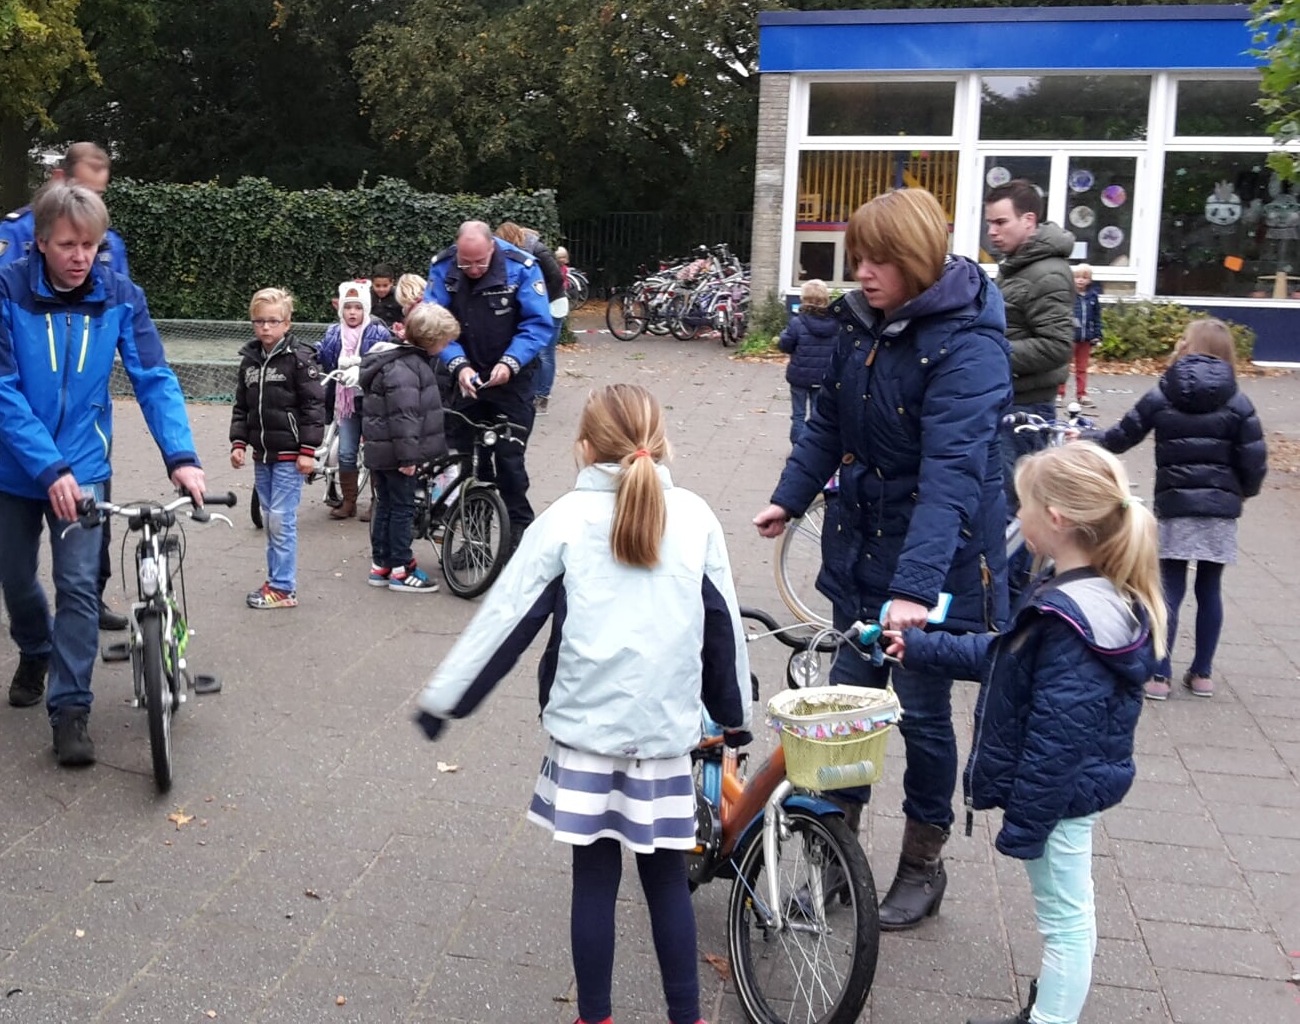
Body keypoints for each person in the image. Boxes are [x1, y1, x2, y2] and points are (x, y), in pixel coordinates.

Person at [416, 384, 747, 1024]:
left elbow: (505, 623)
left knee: (593, 881)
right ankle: (688, 1016)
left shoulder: (563, 521)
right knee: (665, 884)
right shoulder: (697, 517)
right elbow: (722, 628)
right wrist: (734, 719)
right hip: (663, 738)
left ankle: (594, 1015)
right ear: (661, 442)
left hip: (585, 736)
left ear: (585, 447)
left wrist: (446, 700)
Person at [753, 187, 1012, 931]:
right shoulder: (855, 324)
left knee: (924, 716)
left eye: (877, 261)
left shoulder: (968, 343)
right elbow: (827, 424)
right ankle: (838, 859)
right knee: (845, 712)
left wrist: (914, 590)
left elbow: (953, 476)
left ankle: (921, 866)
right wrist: (789, 497)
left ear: (916, 261)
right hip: (863, 550)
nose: (860, 272)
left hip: (941, 568)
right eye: (855, 258)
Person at [887, 442, 1161, 1024]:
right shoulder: (1079, 592)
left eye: (1023, 507)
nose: (1017, 518)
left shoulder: (1069, 616)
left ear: (1056, 520)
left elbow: (1058, 738)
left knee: (1064, 922)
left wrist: (1026, 823)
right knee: (1071, 910)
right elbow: (1005, 655)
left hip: (1059, 798)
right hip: (1071, 792)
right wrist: (920, 647)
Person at [0, 181, 206, 767]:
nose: (81, 257)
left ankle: (71, 710)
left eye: (91, 246)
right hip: (15, 469)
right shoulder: (2, 292)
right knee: (20, 579)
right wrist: (46, 467)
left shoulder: (120, 295)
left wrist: (181, 457)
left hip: (86, 467)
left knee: (78, 586)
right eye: (68, 244)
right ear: (41, 243)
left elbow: (154, 378)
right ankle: (34, 648)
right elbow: (0, 390)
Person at [0, 142, 129, 637]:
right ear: (61, 179)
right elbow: (2, 314)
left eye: (98, 195)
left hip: (82, 432)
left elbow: (116, 306)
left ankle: (87, 597)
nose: (83, 252)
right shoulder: (19, 229)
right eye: (82, 189)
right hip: (22, 421)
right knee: (17, 544)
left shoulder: (108, 242)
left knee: (85, 545)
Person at [1089, 319, 1264, 701]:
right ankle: (1202, 674)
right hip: (1220, 509)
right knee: (1210, 587)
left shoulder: (1163, 392)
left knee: (1167, 588)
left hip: (1175, 505)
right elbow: (1253, 458)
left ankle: (1158, 675)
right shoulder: (1238, 400)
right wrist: (1244, 493)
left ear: (1187, 346)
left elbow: (1123, 435)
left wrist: (1087, 439)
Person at [424, 221, 557, 537]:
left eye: (480, 262)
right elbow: (433, 321)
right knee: (462, 462)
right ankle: (473, 540)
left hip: (513, 380)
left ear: (493, 247)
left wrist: (511, 362)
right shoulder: (445, 267)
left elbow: (538, 324)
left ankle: (519, 541)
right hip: (465, 379)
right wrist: (458, 365)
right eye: (465, 262)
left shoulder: (521, 267)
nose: (472, 269)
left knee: (509, 462)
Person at [230, 287, 326, 609]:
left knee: (281, 521)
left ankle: (284, 588)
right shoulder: (250, 362)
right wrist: (239, 442)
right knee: (270, 518)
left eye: (273, 321)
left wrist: (308, 450)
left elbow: (314, 406)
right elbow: (241, 406)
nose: (265, 328)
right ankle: (275, 581)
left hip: (290, 454)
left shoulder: (299, 359)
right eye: (259, 321)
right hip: (263, 454)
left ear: (287, 323)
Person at [983, 179, 1075, 507]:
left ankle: (1015, 562)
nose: (992, 231)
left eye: (1001, 222)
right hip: (1008, 400)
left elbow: (1056, 345)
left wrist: (989, 354)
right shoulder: (1017, 267)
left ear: (1029, 221)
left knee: (1016, 508)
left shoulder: (1046, 273)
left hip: (1026, 410)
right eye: (989, 223)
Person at [360, 303, 460, 593]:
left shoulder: (394, 360)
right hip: (397, 454)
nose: (446, 347)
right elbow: (404, 416)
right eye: (445, 341)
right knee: (402, 508)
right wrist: (408, 456)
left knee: (387, 506)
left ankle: (382, 564)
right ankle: (401, 569)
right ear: (431, 340)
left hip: (381, 451)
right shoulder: (407, 368)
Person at [315, 280, 394, 521]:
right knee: (347, 452)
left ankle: (376, 501)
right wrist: (313, 352)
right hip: (345, 402)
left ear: (366, 309)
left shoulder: (378, 332)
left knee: (374, 453)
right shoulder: (333, 332)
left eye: (358, 307)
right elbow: (325, 353)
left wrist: (361, 368)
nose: (352, 312)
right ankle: (349, 501)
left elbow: (384, 360)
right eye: (348, 307)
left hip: (371, 401)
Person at [498, 221, 567, 412]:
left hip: (553, 305)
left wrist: (541, 300)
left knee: (545, 352)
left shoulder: (537, 250)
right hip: (544, 304)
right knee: (535, 351)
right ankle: (533, 392)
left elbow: (557, 278)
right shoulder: (520, 252)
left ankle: (542, 396)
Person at [778, 279, 840, 448]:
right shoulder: (836, 323)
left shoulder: (797, 322)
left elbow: (786, 345)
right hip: (824, 376)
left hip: (799, 376)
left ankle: (798, 447)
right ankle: (813, 448)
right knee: (817, 415)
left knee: (798, 414)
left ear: (804, 299)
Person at [1065, 265, 1102, 406]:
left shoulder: (1092, 297)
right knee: (1064, 367)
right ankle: (1060, 393)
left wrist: (1097, 334)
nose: (1080, 280)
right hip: (1070, 337)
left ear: (1089, 280)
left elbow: (1097, 317)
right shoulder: (1069, 296)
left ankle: (1082, 395)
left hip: (1086, 338)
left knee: (1082, 368)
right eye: (1077, 277)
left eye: (1084, 278)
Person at [368, 262, 405, 327]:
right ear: (372, 283)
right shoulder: (367, 296)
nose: (381, 289)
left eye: (385, 286)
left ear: (392, 283)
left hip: (393, 332)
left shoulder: (399, 297)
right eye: (377, 286)